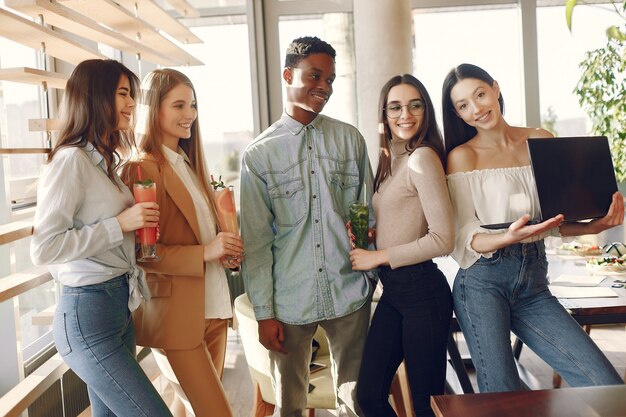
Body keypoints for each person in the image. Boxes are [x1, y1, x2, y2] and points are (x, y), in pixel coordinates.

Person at [442, 63, 624, 393]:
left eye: (480, 94)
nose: (477, 108)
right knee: (502, 395)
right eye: (463, 105)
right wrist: (507, 237)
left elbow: (555, 223)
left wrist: (595, 225)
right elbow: (464, 237)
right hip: (483, 284)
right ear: (457, 114)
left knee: (605, 384)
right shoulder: (461, 157)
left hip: (534, 284)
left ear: (495, 88)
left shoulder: (541, 140)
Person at [240, 36, 375, 417]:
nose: (325, 87)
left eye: (331, 79)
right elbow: (256, 241)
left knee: (356, 401)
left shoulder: (350, 140)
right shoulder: (259, 154)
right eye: (315, 75)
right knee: (289, 405)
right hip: (289, 299)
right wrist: (264, 313)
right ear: (288, 74)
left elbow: (365, 213)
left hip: (349, 291)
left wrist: (369, 276)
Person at [30, 59, 172, 417]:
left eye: (132, 95)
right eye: (123, 93)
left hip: (118, 308)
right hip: (87, 314)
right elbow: (44, 247)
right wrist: (120, 225)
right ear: (96, 97)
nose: (131, 104)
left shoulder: (105, 163)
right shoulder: (70, 161)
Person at [122, 68, 243, 417]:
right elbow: (142, 254)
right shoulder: (142, 169)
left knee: (187, 411)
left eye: (192, 105)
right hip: (176, 318)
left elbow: (207, 239)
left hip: (215, 308)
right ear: (153, 110)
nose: (189, 114)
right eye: (178, 105)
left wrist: (228, 252)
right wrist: (207, 251)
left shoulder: (192, 167)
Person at [351, 74, 454, 417]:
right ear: (384, 113)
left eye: (414, 105)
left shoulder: (422, 158)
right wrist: (368, 238)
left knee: (426, 407)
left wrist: (376, 256)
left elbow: (443, 238)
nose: (405, 114)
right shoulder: (391, 161)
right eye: (395, 107)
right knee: (368, 397)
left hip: (423, 291)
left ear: (425, 111)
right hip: (396, 291)